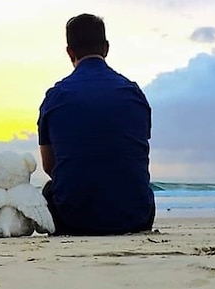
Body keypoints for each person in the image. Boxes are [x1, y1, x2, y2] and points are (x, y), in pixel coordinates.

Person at [37, 13, 156, 235]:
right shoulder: (133, 94)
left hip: (72, 219)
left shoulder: (55, 97)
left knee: (49, 191)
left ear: (69, 51)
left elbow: (50, 166)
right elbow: (137, 153)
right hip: (135, 216)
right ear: (106, 48)